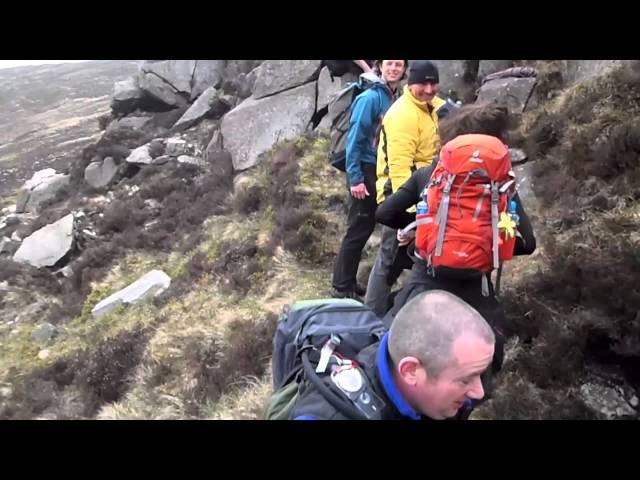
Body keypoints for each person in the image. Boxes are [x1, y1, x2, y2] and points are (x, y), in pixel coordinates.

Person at [375, 102, 537, 390]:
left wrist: (424, 225)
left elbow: (385, 213)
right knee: (466, 383)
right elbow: (527, 244)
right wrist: (487, 242)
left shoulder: (429, 176)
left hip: (424, 285)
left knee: (403, 372)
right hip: (475, 295)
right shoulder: (498, 187)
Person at [291, 290, 496, 420]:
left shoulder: (449, 378)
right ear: (411, 371)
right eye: (465, 380)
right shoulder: (327, 415)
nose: (478, 392)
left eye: (480, 374)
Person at [365, 60, 447, 316]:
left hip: (426, 196)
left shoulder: (430, 107)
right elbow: (400, 172)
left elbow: (447, 110)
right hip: (400, 200)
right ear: (411, 84)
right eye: (423, 83)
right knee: (389, 260)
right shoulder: (402, 116)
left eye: (434, 83)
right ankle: (372, 316)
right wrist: (411, 220)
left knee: (419, 258)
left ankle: (411, 309)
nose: (430, 88)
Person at [331, 60, 408, 299]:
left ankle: (350, 283)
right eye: (389, 63)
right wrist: (355, 178)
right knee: (358, 229)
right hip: (364, 170)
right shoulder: (370, 98)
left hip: (380, 170)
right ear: (379, 67)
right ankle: (341, 288)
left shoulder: (395, 97)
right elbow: (355, 140)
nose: (394, 68)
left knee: (364, 229)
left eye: (399, 64)